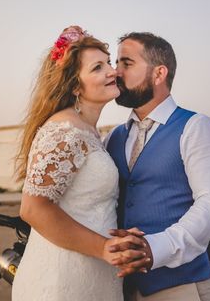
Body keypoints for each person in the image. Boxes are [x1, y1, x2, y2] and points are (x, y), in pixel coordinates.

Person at [12, 26, 148, 300]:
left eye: (108, 63)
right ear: (75, 86)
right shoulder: (64, 130)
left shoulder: (89, 131)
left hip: (93, 276)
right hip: (63, 279)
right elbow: (33, 209)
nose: (112, 71)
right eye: (97, 68)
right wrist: (103, 248)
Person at [105, 32, 210, 301]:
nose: (116, 72)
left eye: (126, 63)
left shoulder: (196, 127)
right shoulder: (115, 137)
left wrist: (156, 247)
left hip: (183, 287)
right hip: (121, 289)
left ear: (159, 73)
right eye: (116, 63)